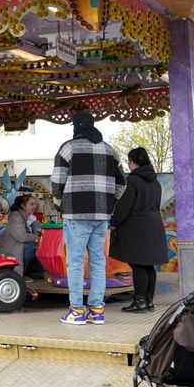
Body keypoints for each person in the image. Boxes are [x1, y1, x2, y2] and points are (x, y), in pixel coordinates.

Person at [51, 110, 125, 326]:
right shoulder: (110, 151)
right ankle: (97, 310)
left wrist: (59, 204)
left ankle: (76, 311)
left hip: (76, 214)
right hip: (102, 215)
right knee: (98, 261)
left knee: (74, 262)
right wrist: (109, 203)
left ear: (75, 127)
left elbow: (57, 182)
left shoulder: (68, 148)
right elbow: (122, 183)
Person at [109, 147, 167, 313]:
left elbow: (125, 205)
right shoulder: (155, 182)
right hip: (154, 225)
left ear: (133, 161)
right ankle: (149, 301)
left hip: (137, 228)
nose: (128, 164)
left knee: (138, 266)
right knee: (149, 266)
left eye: (129, 161)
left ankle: (139, 302)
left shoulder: (133, 181)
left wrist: (114, 221)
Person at [0, 194, 41, 280]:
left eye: (35, 204)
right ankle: (20, 274)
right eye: (31, 204)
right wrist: (36, 238)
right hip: (7, 252)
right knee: (31, 246)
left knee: (35, 246)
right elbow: (22, 237)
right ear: (23, 205)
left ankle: (27, 272)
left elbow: (38, 227)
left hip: (15, 247)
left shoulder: (24, 216)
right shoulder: (15, 217)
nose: (34, 206)